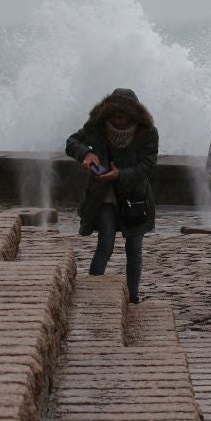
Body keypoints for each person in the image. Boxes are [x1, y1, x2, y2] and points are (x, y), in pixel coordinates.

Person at [65, 88, 159, 304]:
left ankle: (133, 296)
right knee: (105, 244)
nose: (118, 120)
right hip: (104, 197)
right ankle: (92, 290)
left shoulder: (148, 132)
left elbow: (147, 165)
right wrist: (86, 153)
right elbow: (72, 142)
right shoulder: (96, 126)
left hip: (135, 198)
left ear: (134, 115)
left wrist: (121, 175)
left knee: (134, 249)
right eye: (114, 115)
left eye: (123, 116)